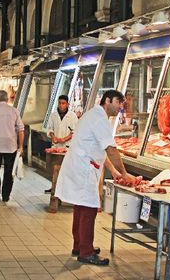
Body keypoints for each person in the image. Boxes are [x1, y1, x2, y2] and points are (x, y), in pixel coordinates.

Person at [55, 90, 135, 266]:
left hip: (80, 165)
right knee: (89, 209)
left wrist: (113, 171)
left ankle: (80, 246)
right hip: (83, 168)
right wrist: (124, 173)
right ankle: (86, 252)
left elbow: (100, 148)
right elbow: (111, 149)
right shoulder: (99, 118)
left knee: (81, 207)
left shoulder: (94, 115)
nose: (120, 106)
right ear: (107, 100)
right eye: (118, 102)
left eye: (122, 103)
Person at [44, 95, 79, 194]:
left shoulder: (72, 116)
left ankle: (64, 189)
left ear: (67, 104)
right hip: (55, 146)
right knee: (53, 167)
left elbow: (74, 131)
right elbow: (50, 129)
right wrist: (53, 136)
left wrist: (64, 139)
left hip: (66, 146)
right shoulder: (53, 115)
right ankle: (54, 186)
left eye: (63, 103)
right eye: (59, 103)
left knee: (66, 169)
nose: (61, 105)